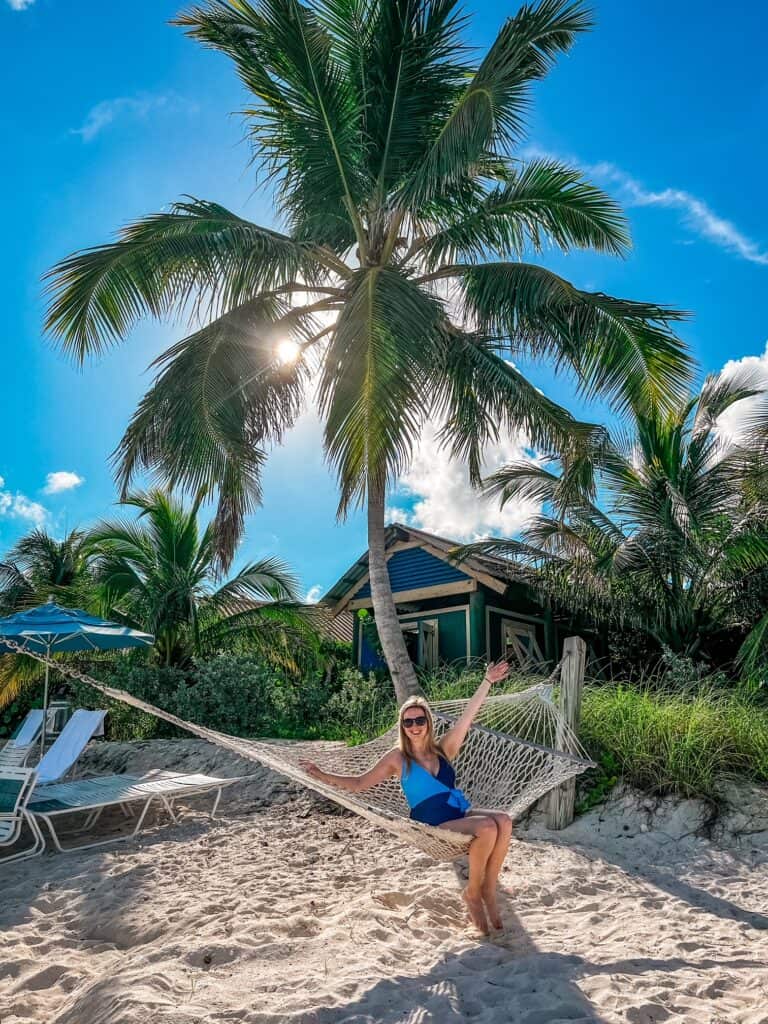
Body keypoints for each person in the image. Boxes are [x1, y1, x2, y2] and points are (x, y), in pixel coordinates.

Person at [299, 661, 513, 934]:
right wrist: (320, 775)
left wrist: (487, 681)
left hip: (457, 814)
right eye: (408, 721)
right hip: (432, 824)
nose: (414, 726)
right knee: (486, 827)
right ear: (403, 726)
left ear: (428, 723)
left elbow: (466, 720)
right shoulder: (397, 758)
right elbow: (359, 783)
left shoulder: (443, 750)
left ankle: (488, 889)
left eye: (419, 720)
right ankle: (472, 893)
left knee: (504, 821)